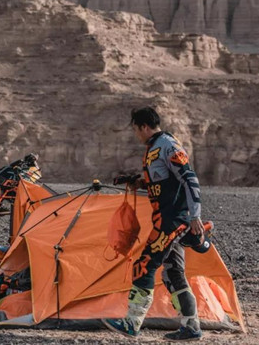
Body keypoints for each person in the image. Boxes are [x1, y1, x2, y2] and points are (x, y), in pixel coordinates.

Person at [103, 107, 204, 341]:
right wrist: (139, 183)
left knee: (144, 265)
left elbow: (189, 178)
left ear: (144, 127)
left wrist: (195, 216)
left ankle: (131, 323)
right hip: (166, 220)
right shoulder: (154, 147)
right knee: (173, 272)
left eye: (136, 130)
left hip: (171, 222)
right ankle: (191, 326)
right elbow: (165, 182)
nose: (136, 134)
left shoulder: (168, 145)